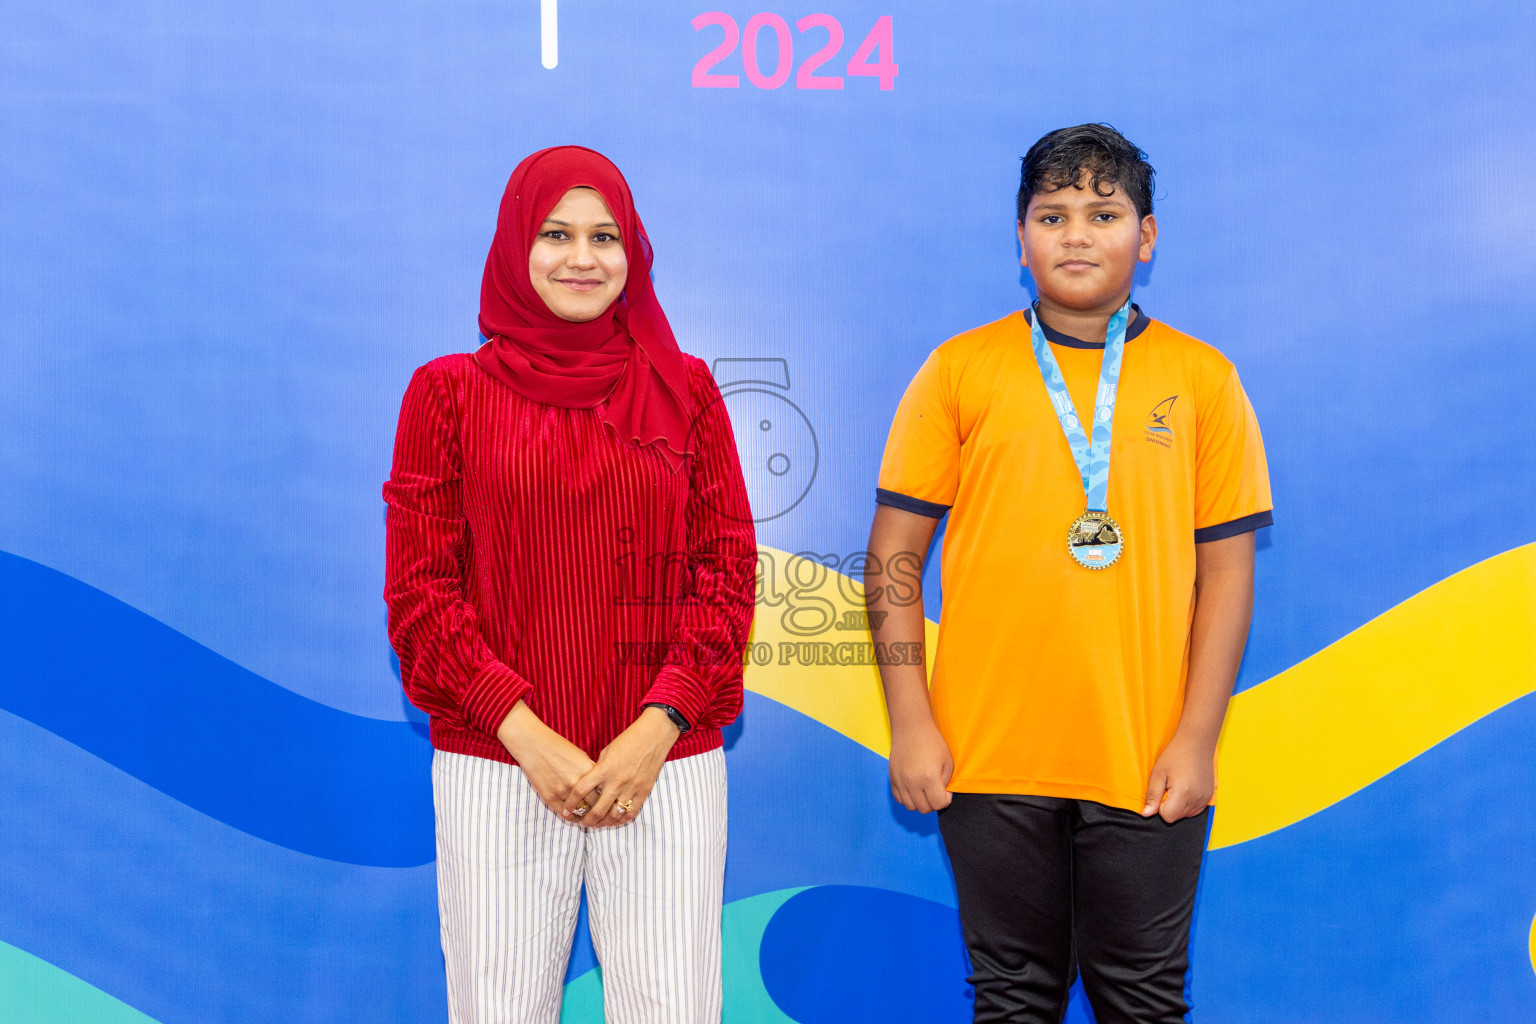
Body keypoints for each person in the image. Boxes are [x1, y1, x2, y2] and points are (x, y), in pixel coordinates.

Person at [864, 124, 1272, 1023]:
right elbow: (893, 556)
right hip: (985, 754)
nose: (1078, 234)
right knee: (1013, 999)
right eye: (1052, 215)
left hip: (1146, 759)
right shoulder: (959, 370)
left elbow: (1230, 576)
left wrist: (1197, 738)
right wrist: (911, 723)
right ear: (1020, 238)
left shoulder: (1205, 381)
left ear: (1148, 235)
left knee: (1144, 1000)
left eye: (1104, 212)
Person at [383, 146, 756, 1024]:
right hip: (498, 760)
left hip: (663, 762)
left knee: (673, 1008)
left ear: (634, 255)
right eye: (555, 233)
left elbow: (727, 572)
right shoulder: (446, 395)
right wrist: (527, 737)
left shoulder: (688, 390)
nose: (581, 257)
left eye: (605, 236)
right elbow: (421, 594)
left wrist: (655, 728)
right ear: (518, 246)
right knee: (499, 1008)